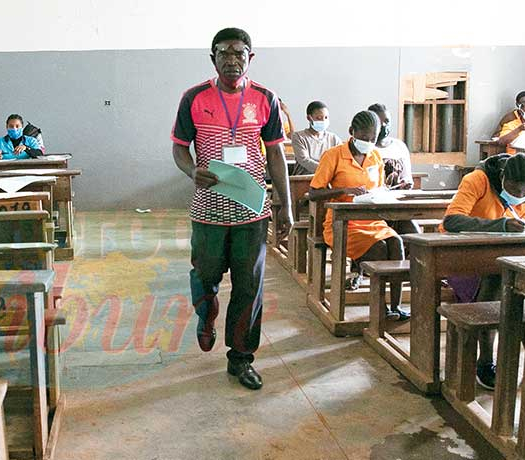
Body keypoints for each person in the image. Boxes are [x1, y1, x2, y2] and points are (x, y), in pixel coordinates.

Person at [171, 27, 293, 390]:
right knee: (205, 272)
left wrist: (284, 204)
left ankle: (240, 358)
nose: (231, 59)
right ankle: (206, 312)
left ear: (250, 58)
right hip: (208, 209)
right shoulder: (193, 98)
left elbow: (275, 154)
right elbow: (179, 148)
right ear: (213, 58)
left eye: (239, 52)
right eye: (223, 52)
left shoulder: (266, 99)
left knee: (248, 287)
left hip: (251, 212)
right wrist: (193, 170)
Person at [440, 153, 525, 390]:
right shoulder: (477, 179)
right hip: (460, 258)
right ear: (503, 175)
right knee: (497, 281)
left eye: (524, 191)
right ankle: (486, 360)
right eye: (513, 189)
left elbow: (521, 224)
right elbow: (452, 221)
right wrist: (502, 224)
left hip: (501, 257)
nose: (519, 195)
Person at [309, 111, 408, 319]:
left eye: (373, 139)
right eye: (364, 138)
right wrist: (343, 191)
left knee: (396, 243)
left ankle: (395, 307)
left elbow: (377, 188)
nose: (368, 142)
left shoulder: (375, 156)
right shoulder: (334, 155)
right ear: (352, 132)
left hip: (371, 220)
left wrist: (386, 193)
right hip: (341, 223)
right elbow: (314, 192)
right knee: (379, 249)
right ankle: (380, 310)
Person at [368, 103, 420, 235]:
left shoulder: (399, 146)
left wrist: (406, 184)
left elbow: (407, 177)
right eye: (381, 122)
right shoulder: (366, 148)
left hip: (397, 205)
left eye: (387, 121)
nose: (384, 125)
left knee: (415, 234)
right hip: (373, 208)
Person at [290, 101, 343, 175]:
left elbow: (341, 159)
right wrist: (326, 170)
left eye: (326, 117)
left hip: (329, 179)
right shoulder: (299, 137)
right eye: (319, 118)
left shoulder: (334, 138)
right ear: (309, 118)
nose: (323, 121)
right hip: (304, 180)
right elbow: (304, 160)